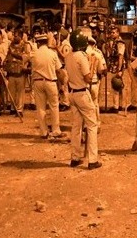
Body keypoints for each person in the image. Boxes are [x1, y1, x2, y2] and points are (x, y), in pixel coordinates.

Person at [66, 30, 101, 170]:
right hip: (81, 93)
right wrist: (91, 68)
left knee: (76, 126)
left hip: (72, 93)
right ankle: (92, 160)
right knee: (92, 125)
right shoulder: (81, 56)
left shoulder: (68, 55)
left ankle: (75, 157)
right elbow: (88, 78)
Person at [30, 33, 65, 140]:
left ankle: (43, 132)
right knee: (54, 106)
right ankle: (56, 130)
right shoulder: (52, 54)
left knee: (40, 107)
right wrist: (62, 84)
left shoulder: (34, 54)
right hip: (50, 81)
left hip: (37, 81)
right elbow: (59, 70)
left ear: (38, 43)